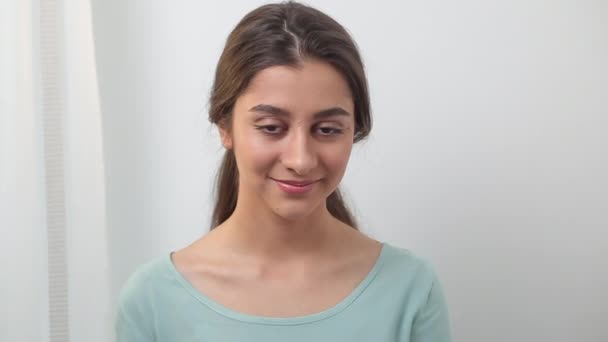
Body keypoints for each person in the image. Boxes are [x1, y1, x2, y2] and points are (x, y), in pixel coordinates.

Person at [115, 1, 451, 341]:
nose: (301, 160)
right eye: (272, 127)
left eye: (327, 129)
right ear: (224, 125)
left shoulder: (409, 290)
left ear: (355, 131)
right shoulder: (153, 302)